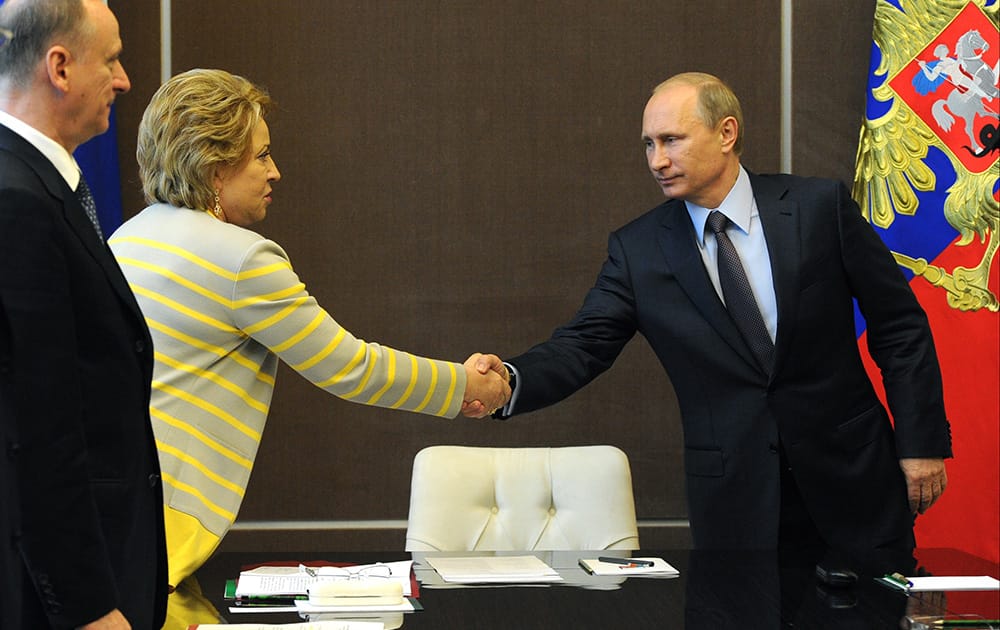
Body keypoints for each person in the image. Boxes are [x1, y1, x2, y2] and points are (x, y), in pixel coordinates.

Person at [490, 72, 951, 551]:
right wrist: (507, 379)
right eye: (648, 144)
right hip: (736, 504)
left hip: (855, 483)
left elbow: (899, 326)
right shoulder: (638, 250)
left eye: (672, 140)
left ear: (726, 133)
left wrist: (921, 443)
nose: (657, 161)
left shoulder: (819, 209)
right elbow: (582, 346)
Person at [107, 68, 510, 588]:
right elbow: (350, 368)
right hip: (160, 523)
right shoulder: (240, 259)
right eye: (262, 155)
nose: (275, 172)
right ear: (214, 169)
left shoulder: (128, 237)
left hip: (107, 510)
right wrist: (463, 387)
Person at [0, 1, 168, 628]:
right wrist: (90, 608)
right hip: (64, 602)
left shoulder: (44, 186)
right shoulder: (17, 200)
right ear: (61, 67)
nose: (124, 81)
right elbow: (39, 432)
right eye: (114, 59)